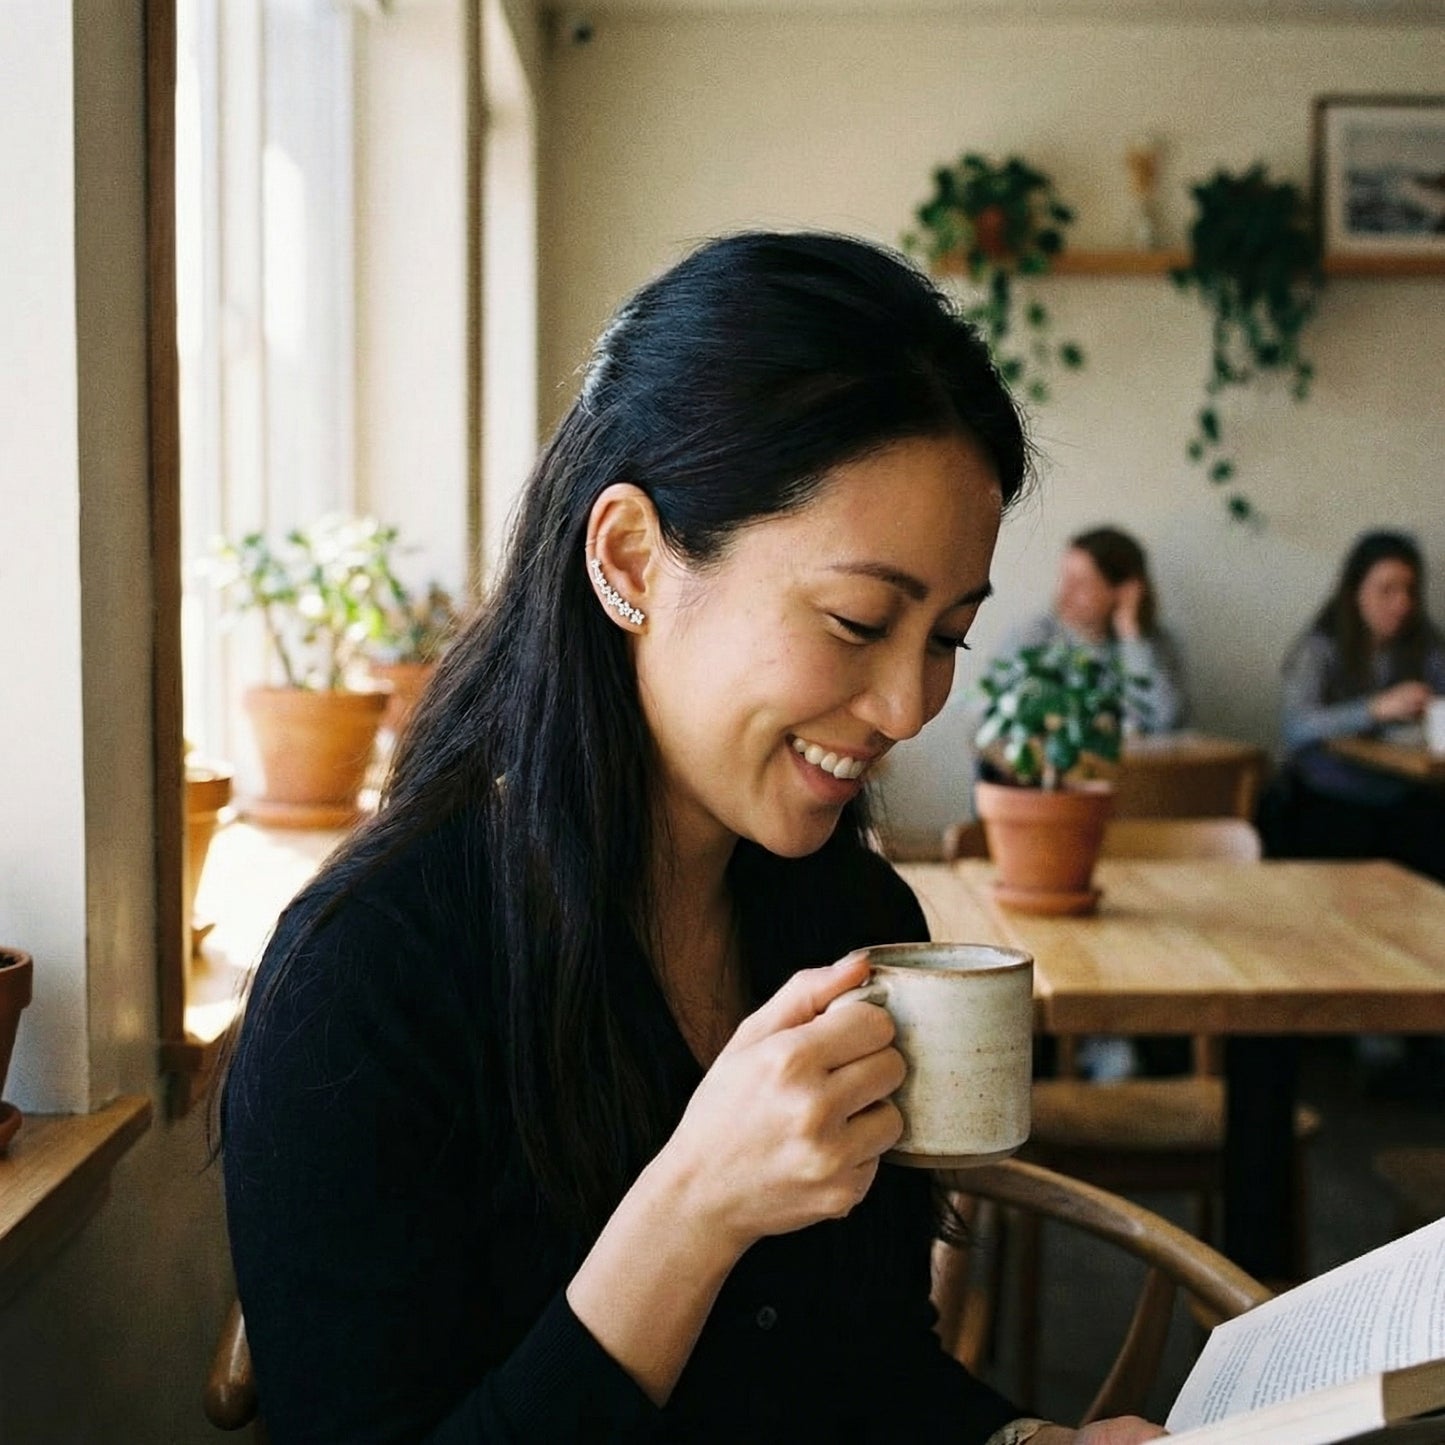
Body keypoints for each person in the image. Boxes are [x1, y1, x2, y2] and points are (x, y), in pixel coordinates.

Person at [220, 232, 1163, 1444]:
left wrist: (1017, 1439)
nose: (906, 706)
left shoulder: (851, 925)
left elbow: (862, 1367)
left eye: (944, 637)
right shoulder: (367, 980)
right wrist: (692, 1207)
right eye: (855, 619)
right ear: (630, 558)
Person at [1267, 528, 1445, 881]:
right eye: (1387, 590)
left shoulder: (1426, 647)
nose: (1402, 603)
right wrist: (1374, 709)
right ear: (1355, 593)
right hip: (1330, 796)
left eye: (1409, 590)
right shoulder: (1321, 648)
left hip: (1405, 796)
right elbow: (1295, 727)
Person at [996, 526, 1187, 736]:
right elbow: (992, 716)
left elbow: (1167, 722)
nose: (1064, 593)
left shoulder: (1150, 643)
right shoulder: (1033, 637)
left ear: (1122, 591)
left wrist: (1130, 635)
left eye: (1081, 583)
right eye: (1064, 578)